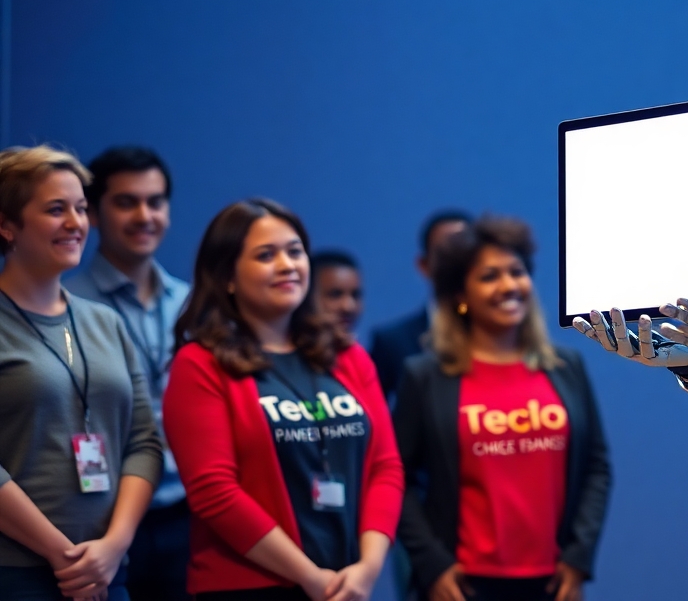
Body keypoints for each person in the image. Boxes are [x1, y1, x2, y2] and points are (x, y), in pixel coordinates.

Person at [162, 198, 403, 600]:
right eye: (265, 255)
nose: (288, 265)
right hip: (251, 586)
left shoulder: (347, 356)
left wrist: (368, 568)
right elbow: (214, 492)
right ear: (227, 277)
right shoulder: (200, 365)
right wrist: (310, 577)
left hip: (348, 584)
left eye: (295, 252)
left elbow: (385, 466)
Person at [394, 216, 610, 601]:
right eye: (489, 276)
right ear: (460, 295)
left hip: (553, 582)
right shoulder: (425, 376)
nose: (509, 286)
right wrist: (432, 564)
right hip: (464, 585)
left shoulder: (565, 368)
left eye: (517, 272)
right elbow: (396, 478)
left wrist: (579, 559)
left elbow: (596, 465)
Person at [0, 145, 162, 601]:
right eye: (56, 210)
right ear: (6, 224)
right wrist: (62, 554)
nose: (76, 223)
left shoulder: (104, 320)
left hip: (108, 571)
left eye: (81, 208)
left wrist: (114, 546)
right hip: (16, 573)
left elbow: (144, 442)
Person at [63, 145, 191, 601]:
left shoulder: (193, 304)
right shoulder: (60, 302)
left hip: (186, 515)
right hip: (100, 519)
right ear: (93, 214)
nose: (144, 215)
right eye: (126, 202)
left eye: (155, 202)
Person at [370, 210, 471, 399]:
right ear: (423, 265)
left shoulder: (503, 337)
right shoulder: (392, 342)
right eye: (445, 254)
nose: (457, 265)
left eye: (465, 253)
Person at [310, 250, 364, 340]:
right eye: (335, 295)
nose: (348, 307)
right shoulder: (286, 350)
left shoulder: (357, 353)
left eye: (355, 295)